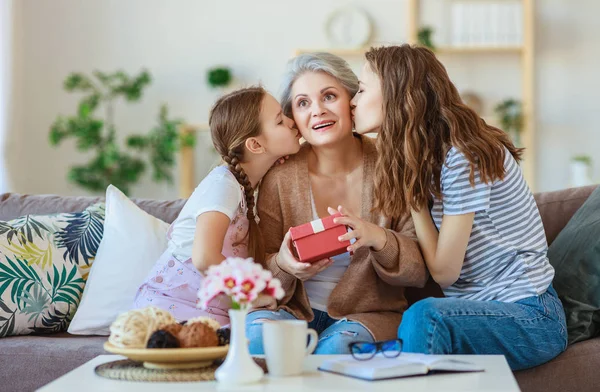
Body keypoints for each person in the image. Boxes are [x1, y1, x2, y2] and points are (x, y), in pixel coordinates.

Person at [350, 44, 567, 370]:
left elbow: (444, 272)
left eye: (362, 89)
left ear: (396, 94)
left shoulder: (463, 155)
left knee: (426, 316)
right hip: (482, 312)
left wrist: (414, 197)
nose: (353, 100)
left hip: (531, 315)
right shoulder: (431, 157)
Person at [246, 52, 428, 355]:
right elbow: (259, 265)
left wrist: (376, 237)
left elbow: (418, 271)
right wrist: (284, 265)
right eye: (303, 103)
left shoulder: (393, 166)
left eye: (329, 96)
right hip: (291, 311)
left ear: (352, 100)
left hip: (366, 316)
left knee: (334, 351)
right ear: (294, 117)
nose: (317, 111)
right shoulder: (279, 177)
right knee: (259, 339)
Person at [133, 86, 301, 325]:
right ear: (255, 146)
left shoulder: (247, 186)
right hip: (169, 311)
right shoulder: (223, 184)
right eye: (280, 121)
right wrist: (250, 296)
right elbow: (203, 257)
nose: (292, 121)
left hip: (205, 311)